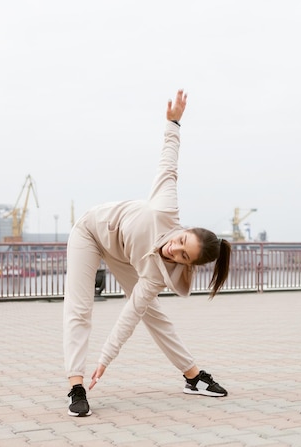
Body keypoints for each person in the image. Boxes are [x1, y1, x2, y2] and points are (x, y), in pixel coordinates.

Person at [63, 89, 232, 417]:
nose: (175, 249)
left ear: (187, 265)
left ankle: (192, 377)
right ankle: (76, 386)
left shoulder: (158, 274)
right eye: (181, 241)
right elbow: (169, 165)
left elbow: (129, 317)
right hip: (91, 231)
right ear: (183, 229)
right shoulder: (165, 209)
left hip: (126, 254)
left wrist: (105, 361)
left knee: (152, 312)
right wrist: (174, 124)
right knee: (80, 308)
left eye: (183, 256)